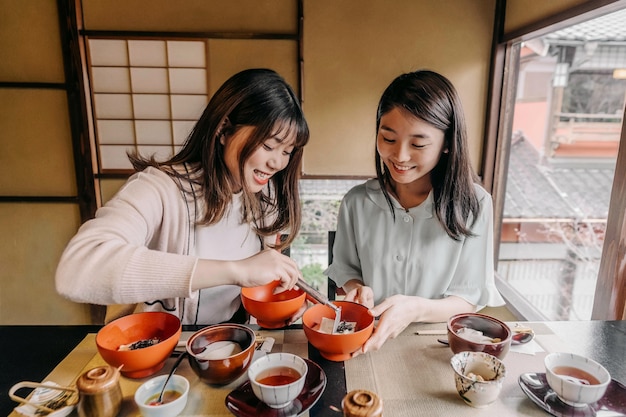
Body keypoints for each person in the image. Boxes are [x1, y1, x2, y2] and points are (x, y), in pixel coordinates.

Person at [56, 68, 310, 325]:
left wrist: (281, 302)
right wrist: (236, 270)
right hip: (164, 348)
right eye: (268, 146)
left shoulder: (263, 199)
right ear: (224, 129)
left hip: (233, 344)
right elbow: (78, 269)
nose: (277, 162)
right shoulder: (160, 188)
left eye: (287, 151)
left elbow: (254, 289)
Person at [325, 69, 505, 355]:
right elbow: (346, 270)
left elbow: (468, 298)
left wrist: (417, 308)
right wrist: (357, 288)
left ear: (447, 143)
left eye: (418, 144)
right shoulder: (357, 202)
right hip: (369, 343)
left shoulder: (474, 204)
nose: (400, 156)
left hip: (435, 346)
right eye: (388, 138)